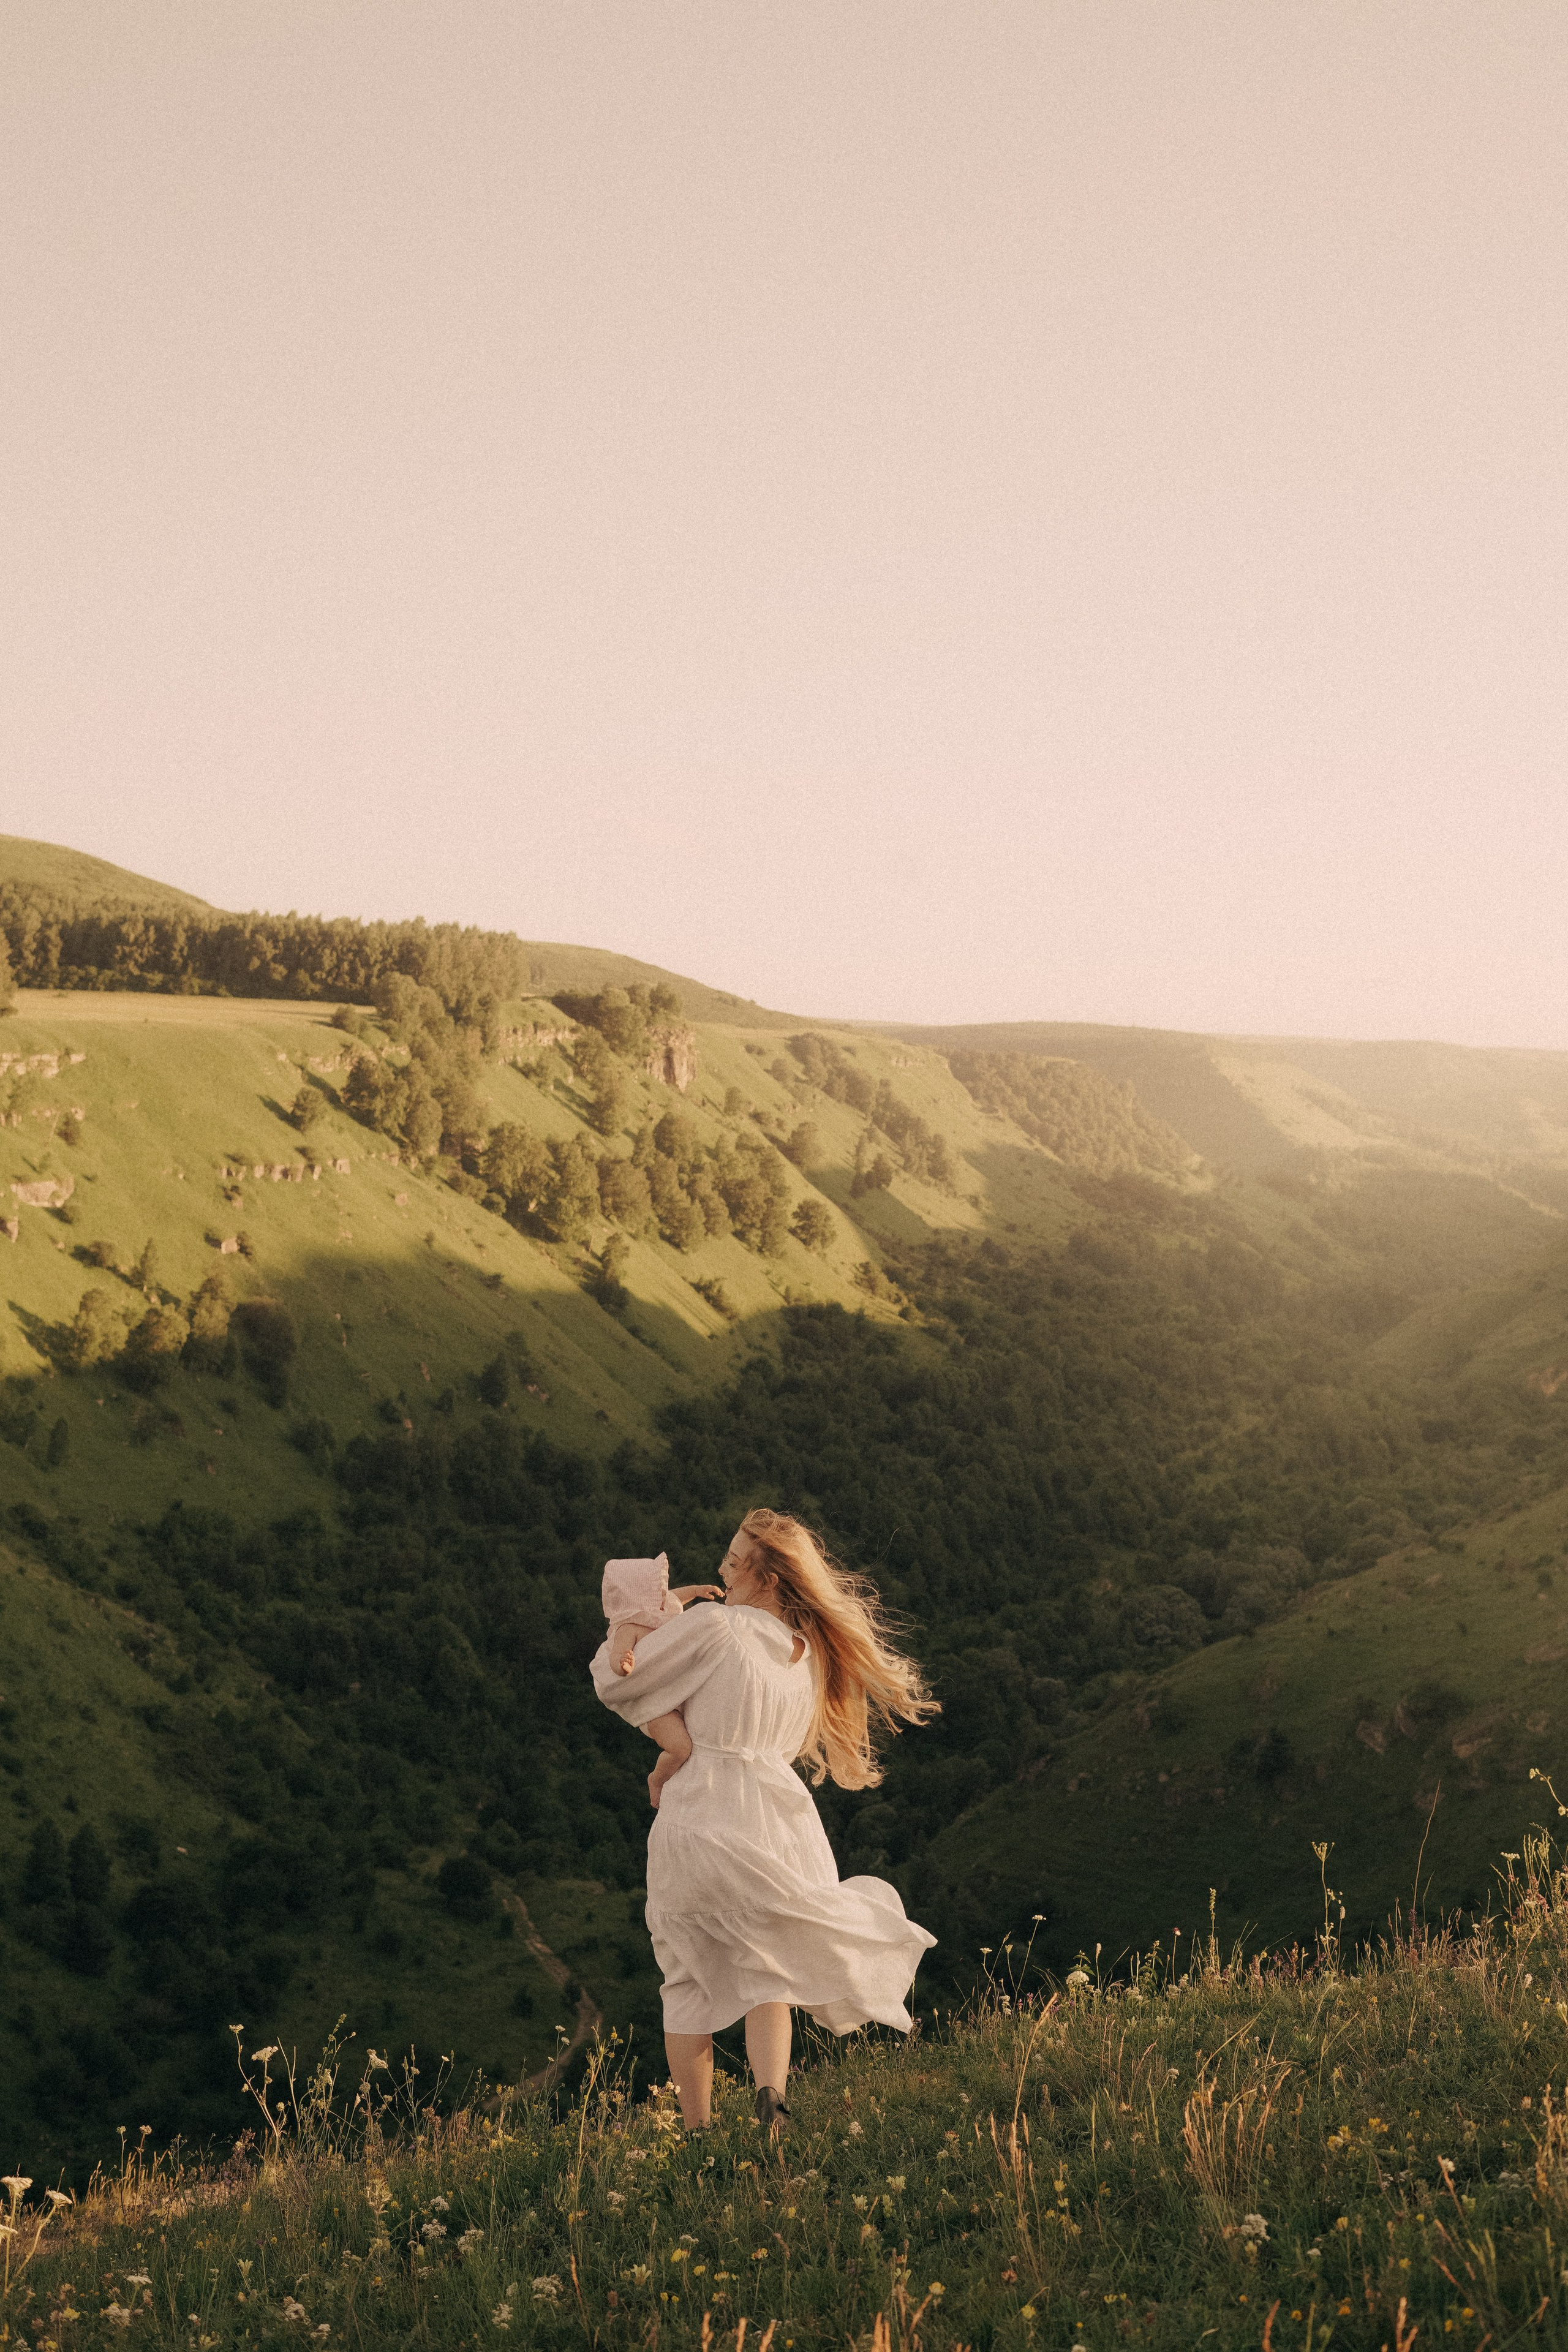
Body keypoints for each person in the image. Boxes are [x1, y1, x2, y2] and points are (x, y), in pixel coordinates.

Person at [590, 1506, 938, 2135]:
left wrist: (627, 1628)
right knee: (769, 1966)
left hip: (703, 1814)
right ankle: (771, 2099)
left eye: (734, 1561)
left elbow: (618, 1682)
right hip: (781, 1824)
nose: (723, 1570)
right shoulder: (810, 1657)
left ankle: (697, 2133)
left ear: (768, 1577)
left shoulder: (717, 1627)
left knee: (685, 1977)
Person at [601, 1551, 724, 1806]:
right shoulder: (629, 1627)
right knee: (681, 1748)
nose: (664, 1597)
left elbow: (676, 1596)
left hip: (680, 1690)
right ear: (637, 1599)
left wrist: (697, 1591)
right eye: (656, 1593)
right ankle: (657, 1779)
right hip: (656, 1706)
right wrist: (623, 1665)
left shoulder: (662, 1610)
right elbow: (616, 1657)